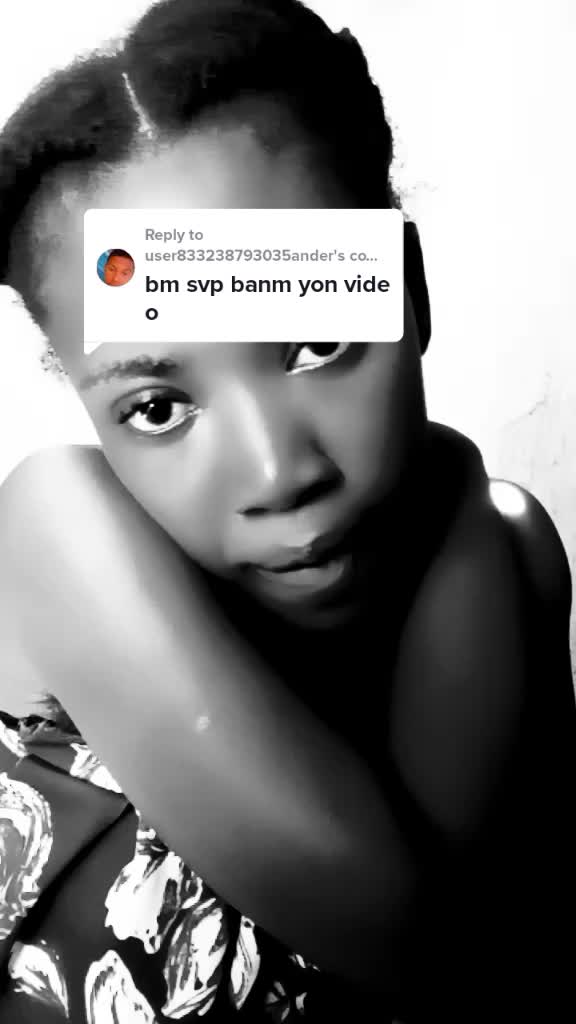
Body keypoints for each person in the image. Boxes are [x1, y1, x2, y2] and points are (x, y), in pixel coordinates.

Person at [0, 1, 574, 1021]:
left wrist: (475, 521)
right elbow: (414, 947)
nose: (277, 472)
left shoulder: (498, 554)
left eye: (316, 343)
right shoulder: (56, 523)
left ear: (410, 295)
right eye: (159, 407)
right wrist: (453, 479)